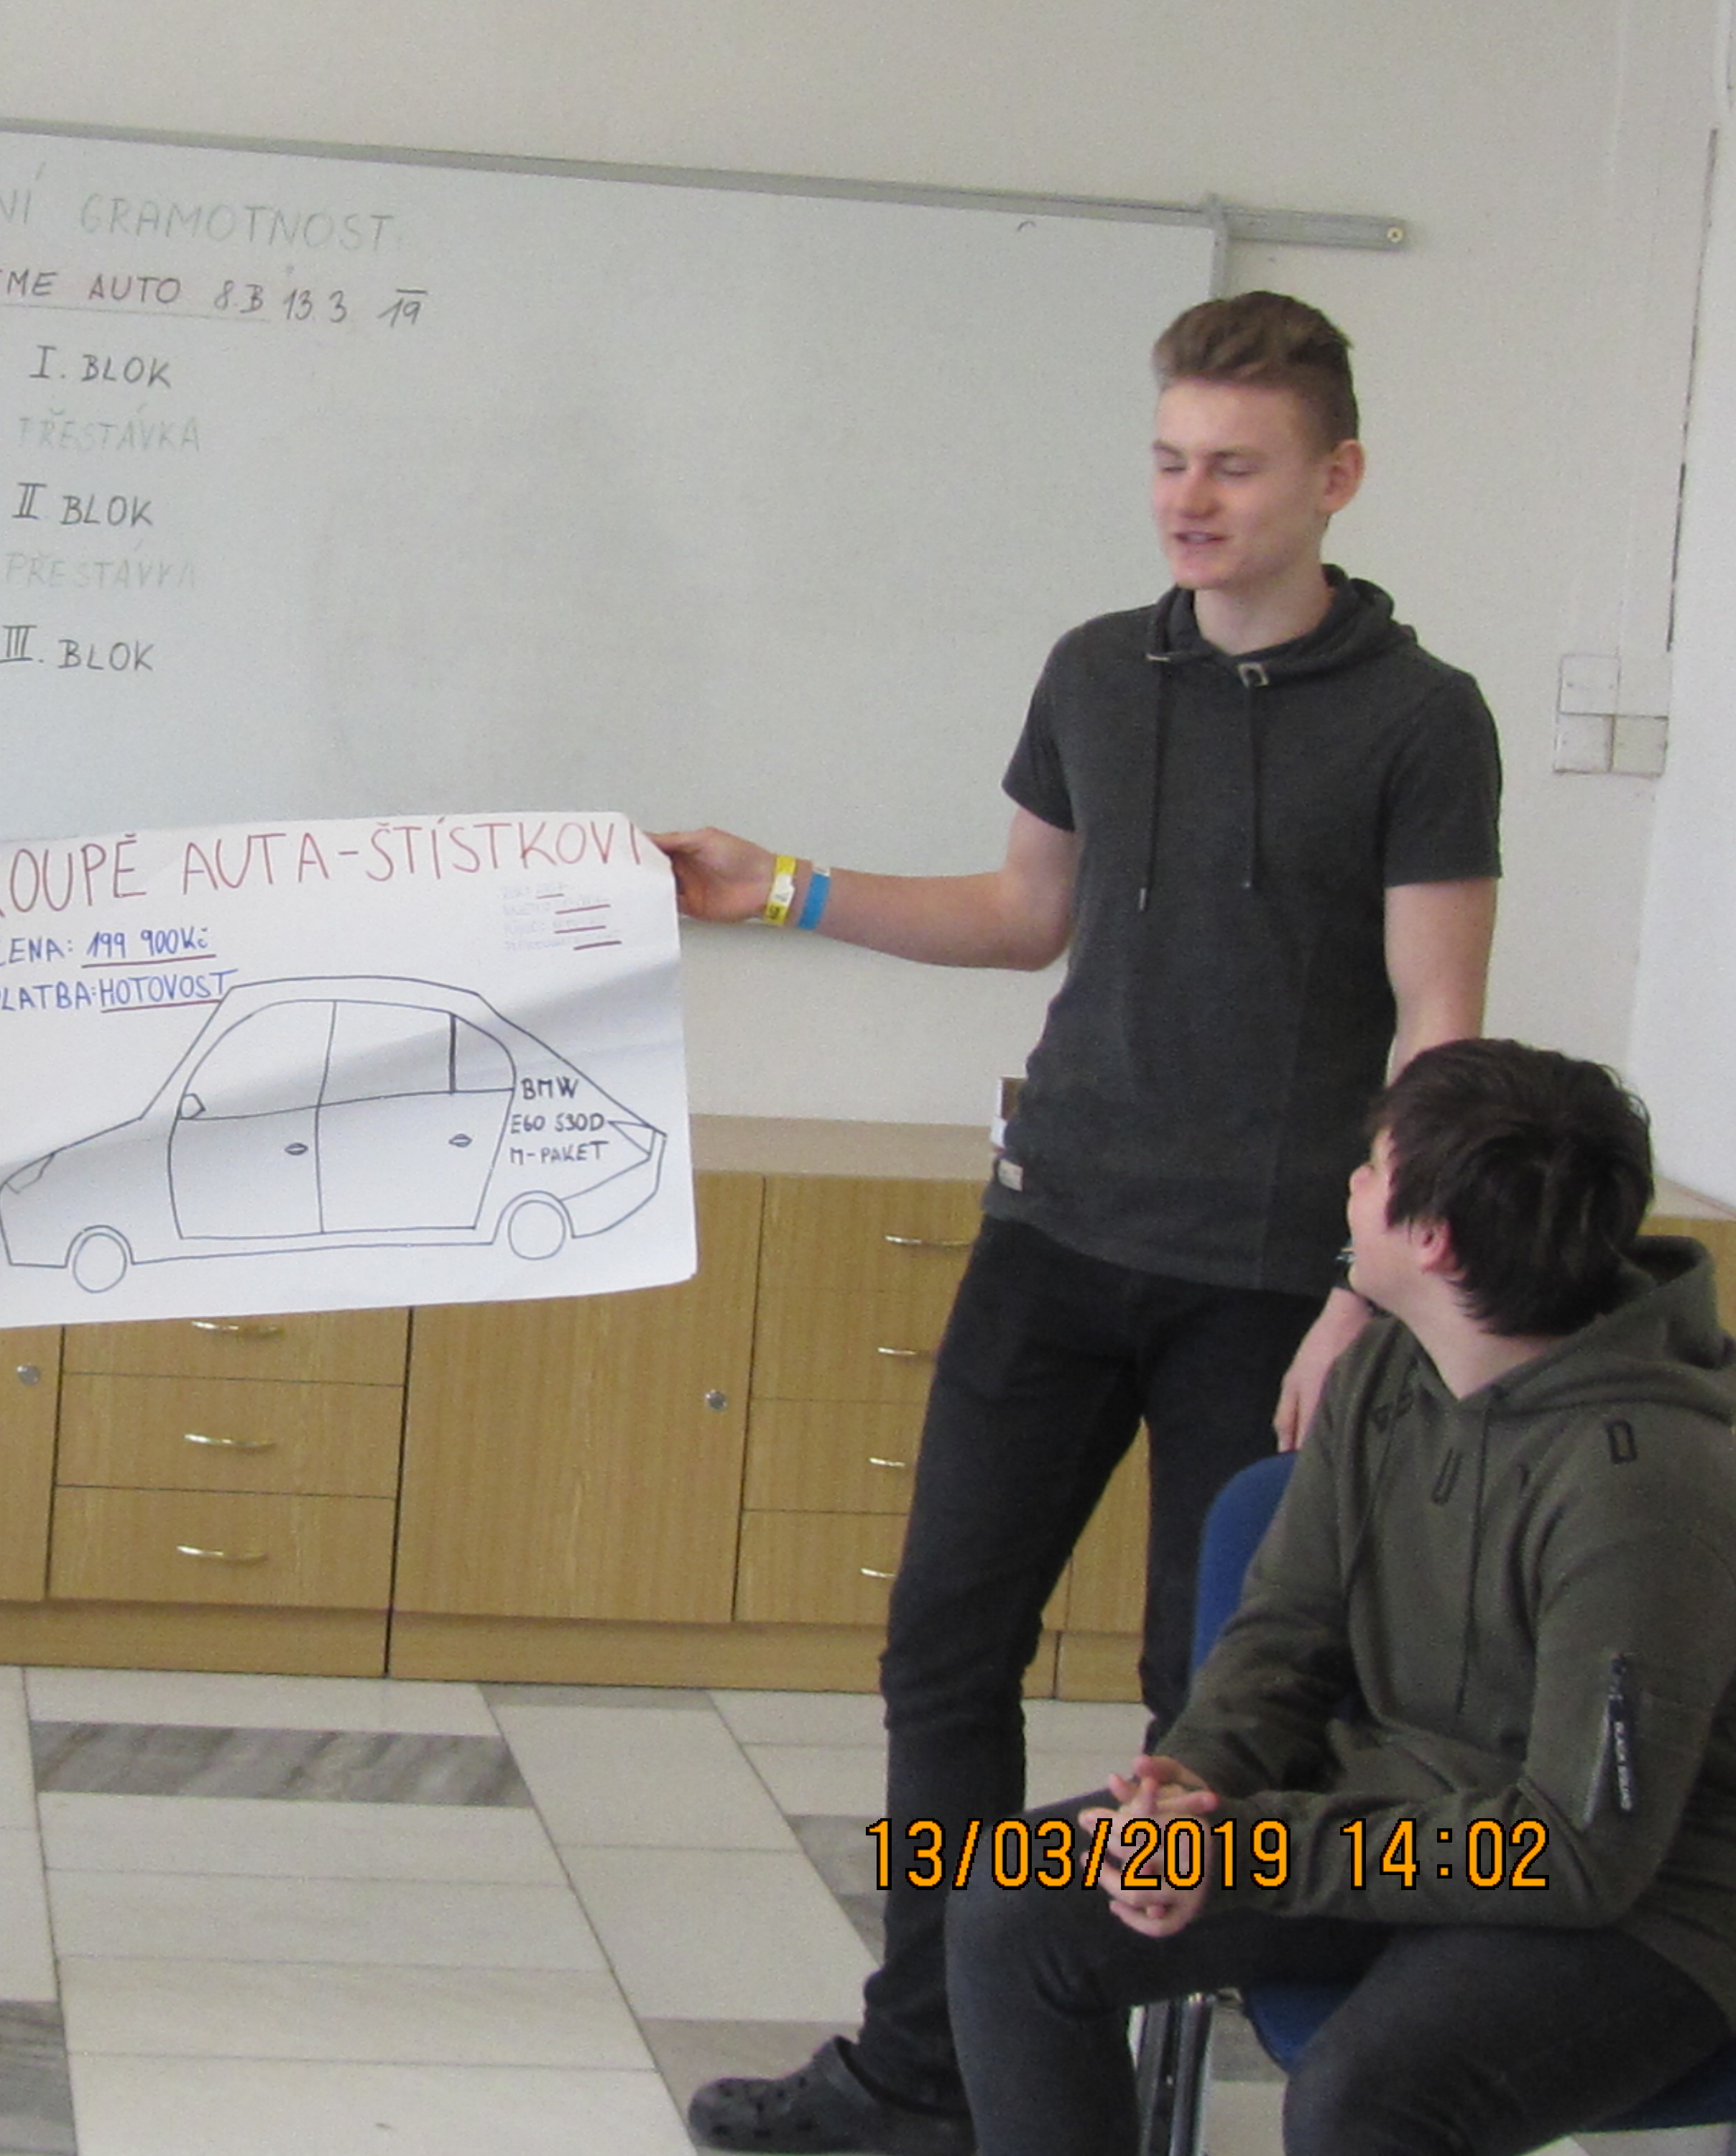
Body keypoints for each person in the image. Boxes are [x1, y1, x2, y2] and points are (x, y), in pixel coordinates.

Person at [655, 290, 1503, 2152]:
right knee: (941, 1650)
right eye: (1168, 460)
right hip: (1054, 1238)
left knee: (1201, 1701)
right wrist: (774, 887)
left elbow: (1439, 1029)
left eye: (1235, 466)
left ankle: (1125, 2062)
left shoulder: (1423, 720)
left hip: (1270, 1281)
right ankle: (925, 2062)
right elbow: (1020, 914)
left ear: (1337, 477)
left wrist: (1370, 1291)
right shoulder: (1096, 673)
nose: (1189, 499)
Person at [946, 1038, 1736, 2155]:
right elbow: (1287, 1630)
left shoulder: (1642, 1486)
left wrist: (1247, 1852)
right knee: (1013, 1911)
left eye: (1371, 1169)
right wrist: (1199, 1780)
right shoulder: (1389, 1366)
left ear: (1433, 1237)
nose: (1351, 1187)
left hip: (1640, 1902)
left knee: (1366, 2098)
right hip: (1402, 1815)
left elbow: (1574, 1852)